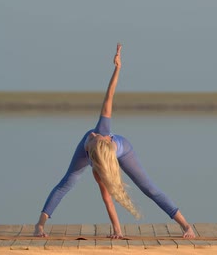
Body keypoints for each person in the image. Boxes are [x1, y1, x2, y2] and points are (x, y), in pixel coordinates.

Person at [34, 43, 195, 239]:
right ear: (90, 152)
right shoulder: (95, 154)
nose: (93, 134)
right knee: (66, 182)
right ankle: (39, 225)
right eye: (94, 137)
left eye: (95, 137)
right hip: (102, 158)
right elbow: (107, 199)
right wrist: (117, 230)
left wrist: (118, 68)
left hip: (125, 150)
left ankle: (186, 226)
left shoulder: (104, 137)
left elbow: (109, 96)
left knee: (149, 188)